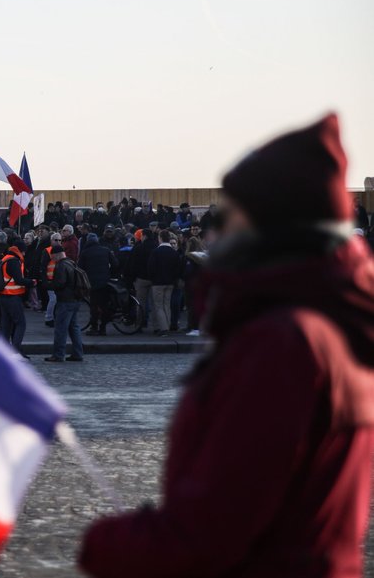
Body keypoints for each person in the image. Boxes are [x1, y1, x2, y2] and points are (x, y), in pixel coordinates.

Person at [79, 113, 374, 578]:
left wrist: (102, 544)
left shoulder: (283, 343)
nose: (215, 231)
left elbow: (212, 529)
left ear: (269, 224)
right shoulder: (331, 326)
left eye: (228, 214)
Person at [43, 244, 85, 363]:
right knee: (74, 328)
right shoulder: (71, 262)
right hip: (75, 300)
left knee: (61, 328)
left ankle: (58, 354)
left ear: (56, 254)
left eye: (53, 256)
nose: (52, 259)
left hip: (65, 301)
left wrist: (48, 285)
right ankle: (78, 353)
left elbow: (60, 283)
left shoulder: (61, 265)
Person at [0, 241, 36, 357]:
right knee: (20, 324)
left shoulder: (5, 258)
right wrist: (31, 282)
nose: (24, 253)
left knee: (6, 325)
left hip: (3, 296)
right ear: (20, 250)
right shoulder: (14, 261)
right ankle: (16, 351)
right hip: (12, 296)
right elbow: (18, 279)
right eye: (24, 251)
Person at [78, 232, 119, 336]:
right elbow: (115, 264)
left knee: (94, 305)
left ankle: (94, 327)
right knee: (104, 305)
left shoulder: (85, 252)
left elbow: (80, 268)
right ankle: (103, 327)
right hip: (105, 282)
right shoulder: (105, 250)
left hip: (92, 283)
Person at [146, 229, 182, 337]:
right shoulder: (174, 253)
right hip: (170, 282)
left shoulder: (156, 252)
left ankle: (163, 328)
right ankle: (168, 324)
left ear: (160, 238)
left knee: (158, 306)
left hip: (158, 282)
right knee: (166, 305)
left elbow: (150, 268)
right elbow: (178, 269)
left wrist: (152, 278)